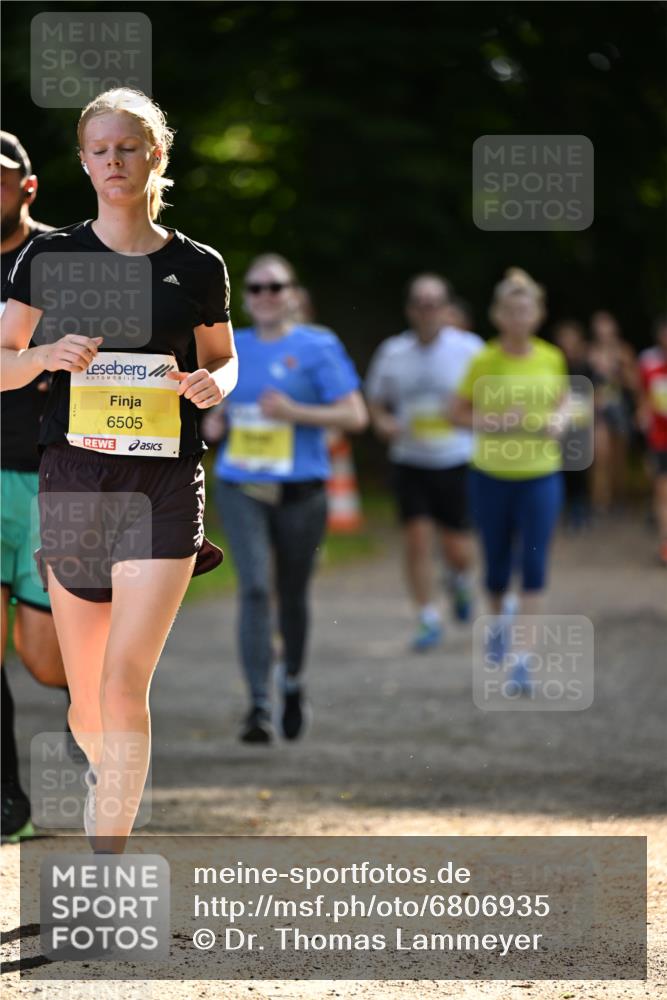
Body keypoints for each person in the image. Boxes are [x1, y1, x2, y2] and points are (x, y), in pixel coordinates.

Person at [0, 88, 237, 854]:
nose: (113, 161)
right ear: (82, 161)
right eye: (99, 149)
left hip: (164, 481)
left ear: (155, 157)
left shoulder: (196, 265)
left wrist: (214, 385)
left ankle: (108, 862)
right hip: (75, 479)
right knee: (85, 701)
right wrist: (40, 356)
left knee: (124, 682)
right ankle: (112, 783)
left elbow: (225, 360)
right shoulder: (52, 255)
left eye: (127, 148)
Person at [202, 253, 367, 743]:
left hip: (302, 489)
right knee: (254, 587)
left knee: (292, 594)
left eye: (276, 286)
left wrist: (297, 412)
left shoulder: (318, 345)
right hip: (242, 485)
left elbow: (355, 416)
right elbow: (214, 410)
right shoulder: (232, 346)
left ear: (293, 293)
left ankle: (291, 681)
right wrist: (214, 422)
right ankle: (258, 706)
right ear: (245, 297)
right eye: (255, 288)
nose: (266, 296)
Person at [450, 268, 568, 690]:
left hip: (540, 475)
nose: (519, 318)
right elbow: (456, 413)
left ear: (538, 314)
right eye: (511, 311)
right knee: (497, 565)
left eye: (527, 310)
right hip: (491, 476)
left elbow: (563, 404)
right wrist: (495, 421)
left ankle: (522, 660)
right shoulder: (484, 360)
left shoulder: (552, 357)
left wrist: (558, 419)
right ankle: (499, 622)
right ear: (498, 315)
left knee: (534, 564)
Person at [0, 130, 69, 844]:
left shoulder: (62, 260)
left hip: (52, 478)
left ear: (28, 186)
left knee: (45, 659)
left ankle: (89, 705)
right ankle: (6, 799)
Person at [365, 273, 483, 651]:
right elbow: (375, 402)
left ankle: (459, 581)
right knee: (416, 540)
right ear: (410, 309)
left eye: (434, 303)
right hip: (410, 460)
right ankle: (427, 617)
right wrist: (384, 423)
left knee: (457, 548)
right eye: (421, 303)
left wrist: (469, 417)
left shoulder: (469, 350)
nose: (428, 310)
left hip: (456, 460)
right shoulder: (393, 352)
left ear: (446, 308)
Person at [588, 310, 638, 514]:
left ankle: (619, 496)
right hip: (599, 409)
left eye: (606, 325)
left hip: (620, 408)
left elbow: (634, 383)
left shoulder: (624, 351)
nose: (603, 331)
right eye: (599, 326)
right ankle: (601, 500)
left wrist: (620, 367)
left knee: (619, 456)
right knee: (601, 455)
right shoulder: (590, 352)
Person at [551, 319, 594, 530]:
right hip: (560, 423)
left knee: (581, 467)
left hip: (581, 422)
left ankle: (581, 507)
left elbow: (595, 392)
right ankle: (565, 507)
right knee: (563, 466)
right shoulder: (555, 364)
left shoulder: (585, 364)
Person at [638, 316, 667, 565]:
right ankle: (665, 543)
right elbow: (642, 395)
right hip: (660, 438)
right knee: (662, 491)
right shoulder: (648, 361)